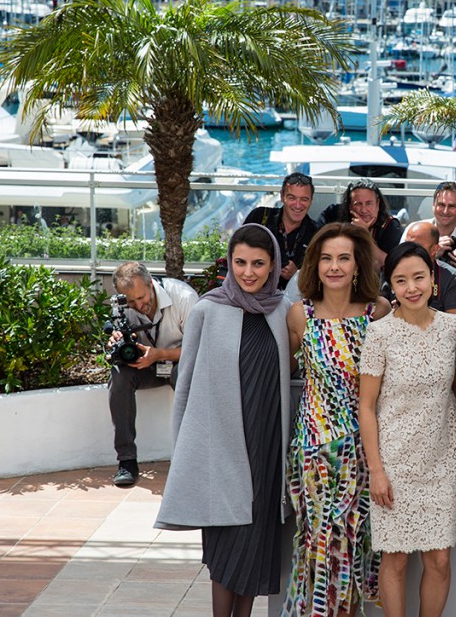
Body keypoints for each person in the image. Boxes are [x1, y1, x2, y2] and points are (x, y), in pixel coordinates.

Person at [155, 224, 292, 617]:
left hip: (266, 447)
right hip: (220, 449)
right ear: (230, 263)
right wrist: (183, 451)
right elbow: (186, 384)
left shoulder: (282, 310)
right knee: (226, 547)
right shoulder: (207, 310)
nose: (248, 272)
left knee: (256, 545)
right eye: (240, 262)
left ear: (273, 266)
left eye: (259, 264)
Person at [283, 222, 392, 617]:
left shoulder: (377, 312)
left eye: (343, 258)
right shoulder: (300, 315)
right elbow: (279, 371)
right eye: (326, 258)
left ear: (357, 264)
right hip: (313, 451)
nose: (334, 266)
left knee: (354, 542)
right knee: (318, 544)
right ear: (315, 264)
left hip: (364, 451)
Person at [359, 242, 456, 617]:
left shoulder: (453, 328)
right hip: (393, 461)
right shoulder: (379, 333)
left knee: (438, 559)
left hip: (440, 458)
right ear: (391, 286)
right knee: (397, 559)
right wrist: (376, 471)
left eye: (419, 277)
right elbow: (367, 406)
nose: (412, 288)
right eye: (401, 280)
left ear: (433, 282)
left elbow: (453, 391)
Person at [107, 261, 197, 487]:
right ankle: (127, 460)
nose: (138, 305)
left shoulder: (184, 297)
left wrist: (159, 354)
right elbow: (119, 348)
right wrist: (117, 342)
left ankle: (193, 457)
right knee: (119, 374)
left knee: (187, 373)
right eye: (131, 301)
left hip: (180, 363)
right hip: (145, 367)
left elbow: (200, 348)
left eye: (142, 297)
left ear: (150, 283)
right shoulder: (121, 307)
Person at [243, 172, 320, 289]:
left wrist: (298, 274)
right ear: (282, 196)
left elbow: (320, 277)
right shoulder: (260, 217)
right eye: (292, 198)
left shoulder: (317, 233)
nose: (298, 205)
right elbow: (237, 252)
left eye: (304, 199)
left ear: (311, 200)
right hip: (253, 292)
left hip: (294, 301)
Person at [403, 181, 456, 288]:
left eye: (452, 206)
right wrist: (431, 254)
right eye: (441, 205)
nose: (445, 211)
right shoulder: (415, 231)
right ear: (433, 205)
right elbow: (398, 268)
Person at [319, 179, 402, 268]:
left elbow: (387, 263)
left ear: (378, 204)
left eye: (369, 203)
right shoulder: (334, 214)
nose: (363, 210)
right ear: (349, 205)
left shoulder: (390, 225)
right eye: (358, 204)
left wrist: (364, 234)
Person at [403, 221, 456, 313]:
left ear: (434, 249)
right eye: (407, 245)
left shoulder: (451, 277)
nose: (408, 251)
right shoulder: (396, 271)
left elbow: (453, 323)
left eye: (416, 247)